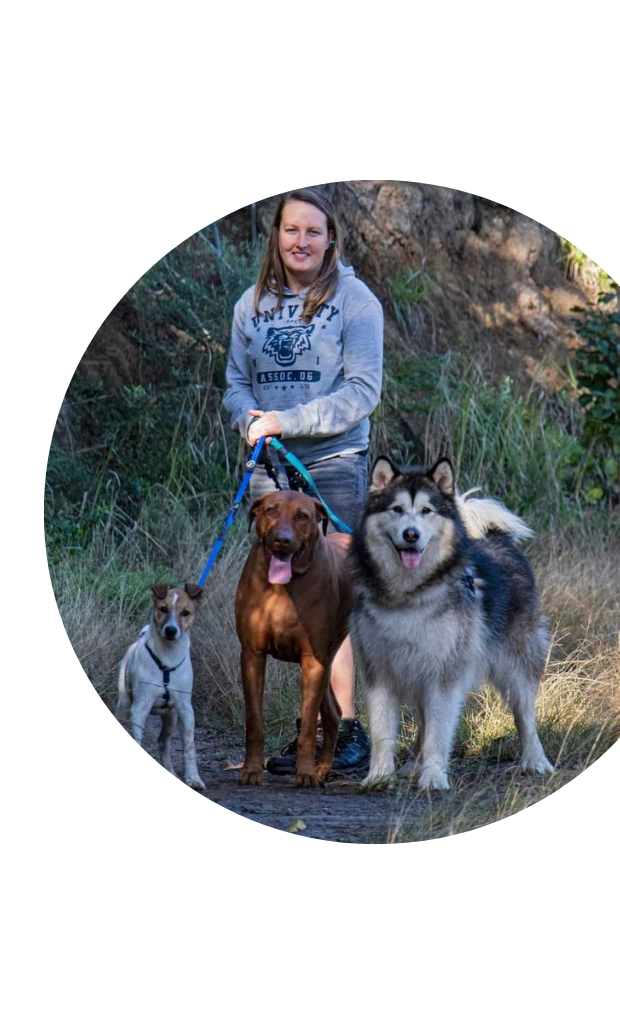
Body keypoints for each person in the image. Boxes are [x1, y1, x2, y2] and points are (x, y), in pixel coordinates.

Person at [222, 187, 384, 775]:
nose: (302, 241)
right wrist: (248, 421)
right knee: (273, 590)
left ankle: (346, 731)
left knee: (330, 594)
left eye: (313, 231)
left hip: (334, 462)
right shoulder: (251, 304)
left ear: (330, 238)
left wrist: (287, 421)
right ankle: (300, 735)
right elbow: (236, 383)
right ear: (277, 236)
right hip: (270, 465)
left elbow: (363, 392)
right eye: (291, 230)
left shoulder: (356, 302)